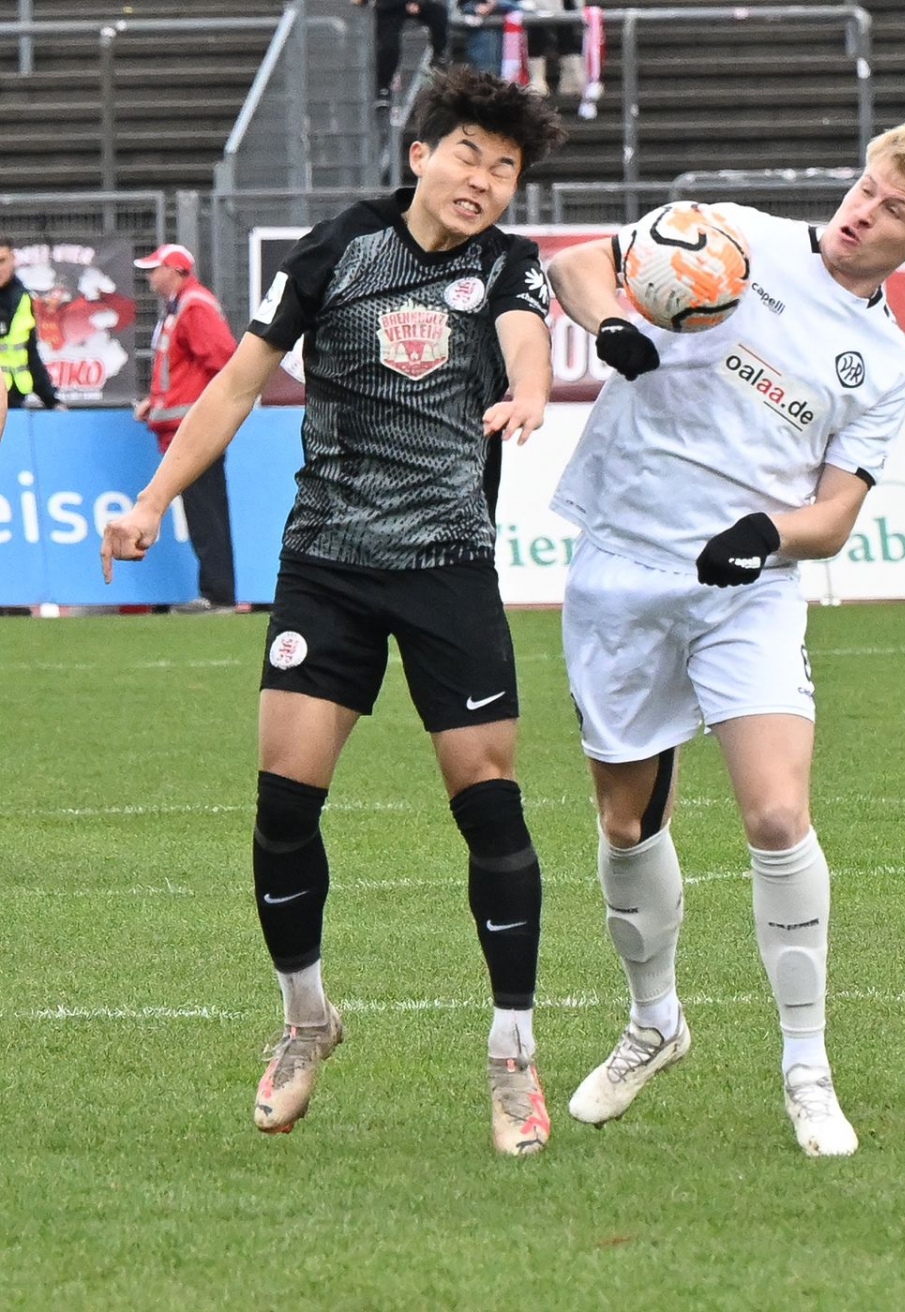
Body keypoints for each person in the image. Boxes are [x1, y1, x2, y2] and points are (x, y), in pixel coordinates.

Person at [101, 68, 568, 1156]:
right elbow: (234, 385)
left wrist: (534, 391)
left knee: (489, 803)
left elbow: (525, 337)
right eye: (469, 155)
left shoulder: (507, 264)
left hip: (450, 566)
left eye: (506, 169)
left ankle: (512, 1055)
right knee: (284, 804)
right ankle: (307, 1019)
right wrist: (153, 502)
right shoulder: (335, 249)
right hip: (329, 564)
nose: (485, 181)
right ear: (421, 154)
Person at [544, 121, 905, 1156]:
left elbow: (833, 518)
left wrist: (766, 536)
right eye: (866, 187)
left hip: (747, 591)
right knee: (624, 822)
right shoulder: (735, 235)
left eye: (894, 209)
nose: (863, 211)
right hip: (622, 563)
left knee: (779, 815)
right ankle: (654, 1023)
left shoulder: (883, 363)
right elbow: (573, 266)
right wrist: (613, 325)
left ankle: (807, 1068)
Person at [133, 243, 240, 614]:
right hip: (187, 429)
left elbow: (224, 361)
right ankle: (216, 592)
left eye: (155, 269)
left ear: (175, 270)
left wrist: (207, 415)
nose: (150, 276)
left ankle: (218, 594)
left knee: (206, 513)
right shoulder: (182, 307)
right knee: (203, 512)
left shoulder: (193, 306)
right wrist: (155, 402)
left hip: (195, 432)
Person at [357, 0, 452, 114]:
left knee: (439, 13)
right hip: (389, 7)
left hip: (410, 4)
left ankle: (438, 55)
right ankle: (383, 88)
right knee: (389, 45)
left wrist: (417, 3)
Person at [0, 236, 62, 413]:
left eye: (2, 261)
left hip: (14, 399)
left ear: (13, 259)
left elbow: (30, 353)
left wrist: (52, 401)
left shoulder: (22, 298)